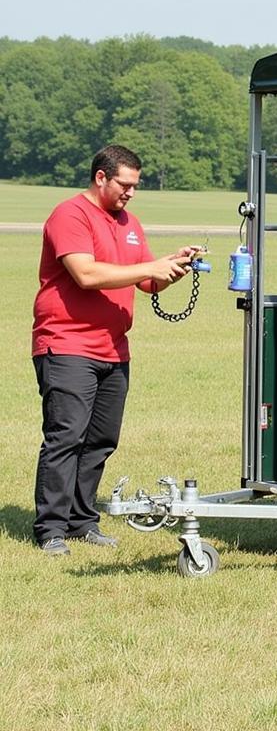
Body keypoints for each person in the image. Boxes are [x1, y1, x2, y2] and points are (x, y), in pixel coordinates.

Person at [31, 145, 201, 556]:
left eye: (136, 186)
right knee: (66, 436)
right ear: (101, 177)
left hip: (113, 348)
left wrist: (172, 267)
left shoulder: (129, 223)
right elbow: (86, 274)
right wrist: (149, 268)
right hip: (67, 343)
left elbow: (147, 283)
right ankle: (50, 529)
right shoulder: (69, 215)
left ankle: (81, 521)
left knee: (101, 439)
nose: (130, 193)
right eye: (125, 184)